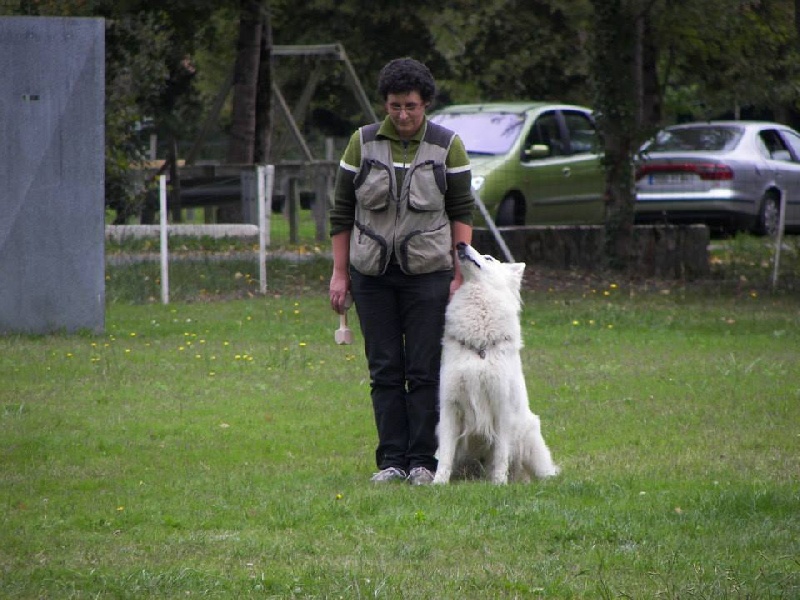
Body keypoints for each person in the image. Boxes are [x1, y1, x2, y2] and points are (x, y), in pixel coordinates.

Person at [328, 57, 474, 485]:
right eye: (395, 106)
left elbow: (461, 211)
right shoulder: (362, 143)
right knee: (385, 369)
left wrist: (460, 273)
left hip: (429, 274)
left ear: (425, 103)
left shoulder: (448, 146)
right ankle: (391, 461)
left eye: (411, 106)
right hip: (371, 275)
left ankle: (424, 462)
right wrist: (340, 273)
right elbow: (341, 210)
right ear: (385, 104)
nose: (403, 115)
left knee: (425, 370)